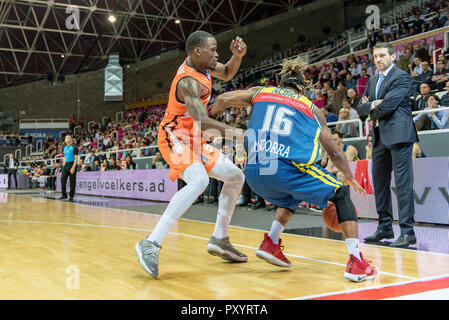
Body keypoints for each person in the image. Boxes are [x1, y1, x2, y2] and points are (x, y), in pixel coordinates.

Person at [209, 57, 377, 282]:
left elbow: (222, 98)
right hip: (284, 169)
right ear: (303, 87)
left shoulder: (261, 92)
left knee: (291, 195)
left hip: (255, 172)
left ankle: (272, 242)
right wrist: (348, 176)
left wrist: (208, 124)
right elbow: (335, 152)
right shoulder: (311, 108)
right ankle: (356, 262)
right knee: (340, 193)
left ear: (280, 83)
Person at [135, 31, 248, 279]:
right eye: (213, 50)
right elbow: (203, 120)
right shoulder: (187, 81)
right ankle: (151, 243)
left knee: (235, 177)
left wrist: (236, 56)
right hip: (174, 134)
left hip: (192, 135)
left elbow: (228, 72)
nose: (217, 54)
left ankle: (220, 238)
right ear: (197, 51)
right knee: (199, 180)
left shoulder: (205, 66)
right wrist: (238, 133)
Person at [357, 42, 418, 247]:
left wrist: (372, 105)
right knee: (380, 184)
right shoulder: (373, 80)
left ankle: (408, 232)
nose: (378, 59)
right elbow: (360, 108)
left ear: (393, 57)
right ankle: (385, 227)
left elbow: (389, 105)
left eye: (382, 55)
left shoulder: (401, 76)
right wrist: (374, 104)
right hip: (379, 137)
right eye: (375, 57)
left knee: (402, 185)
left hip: (400, 135)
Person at [59, 134, 78, 201]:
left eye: (69, 138)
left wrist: (73, 168)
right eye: (66, 138)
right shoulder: (65, 148)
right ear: (65, 140)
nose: (67, 139)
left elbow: (76, 159)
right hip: (66, 165)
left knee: (72, 181)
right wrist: (63, 165)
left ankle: (71, 195)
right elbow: (65, 157)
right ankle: (64, 195)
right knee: (62, 179)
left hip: (72, 164)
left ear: (71, 139)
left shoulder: (74, 147)